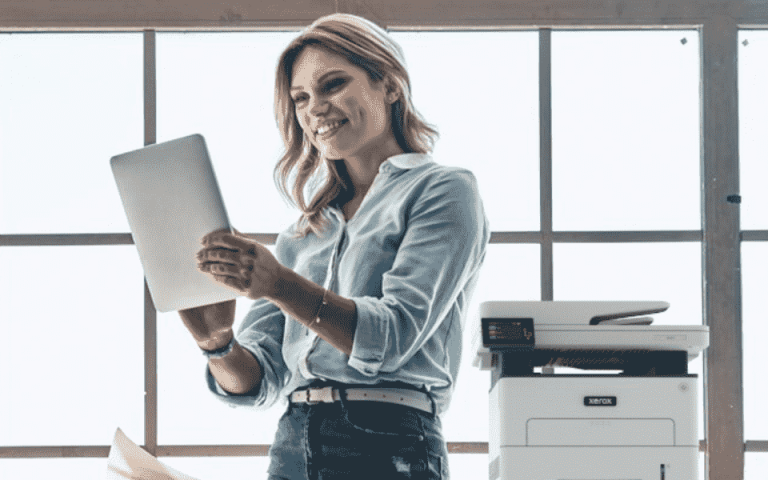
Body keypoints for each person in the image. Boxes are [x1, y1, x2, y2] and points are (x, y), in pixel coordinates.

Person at [178, 13, 490, 480]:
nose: (314, 109)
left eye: (333, 85)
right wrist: (216, 343)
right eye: (300, 98)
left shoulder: (443, 191)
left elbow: (391, 338)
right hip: (293, 443)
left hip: (389, 443)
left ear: (389, 85)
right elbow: (258, 382)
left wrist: (279, 283)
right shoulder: (302, 234)